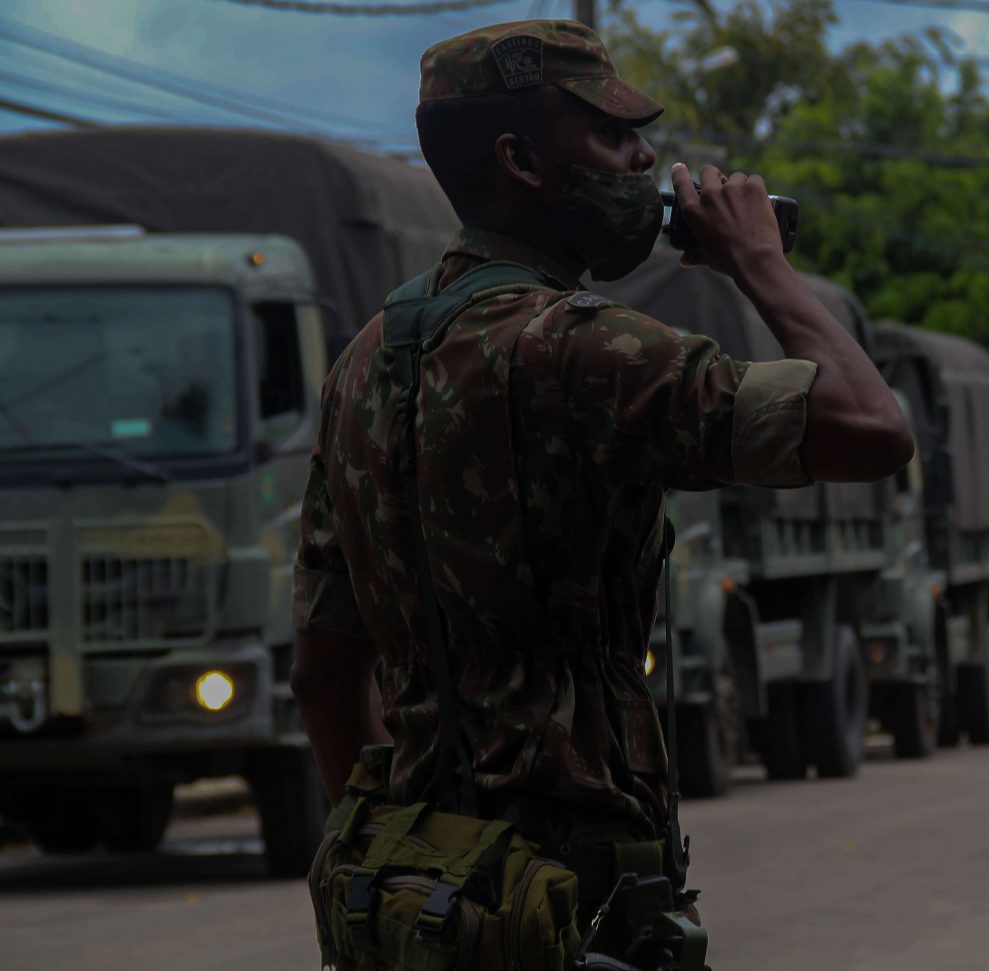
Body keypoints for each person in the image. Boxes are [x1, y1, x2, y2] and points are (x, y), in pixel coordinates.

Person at [288, 16, 913, 962]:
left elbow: (325, 670)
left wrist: (399, 861)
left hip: (418, 912)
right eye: (614, 136)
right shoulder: (587, 348)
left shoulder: (366, 365)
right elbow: (874, 431)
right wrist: (759, 264)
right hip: (573, 904)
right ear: (522, 161)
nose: (647, 158)